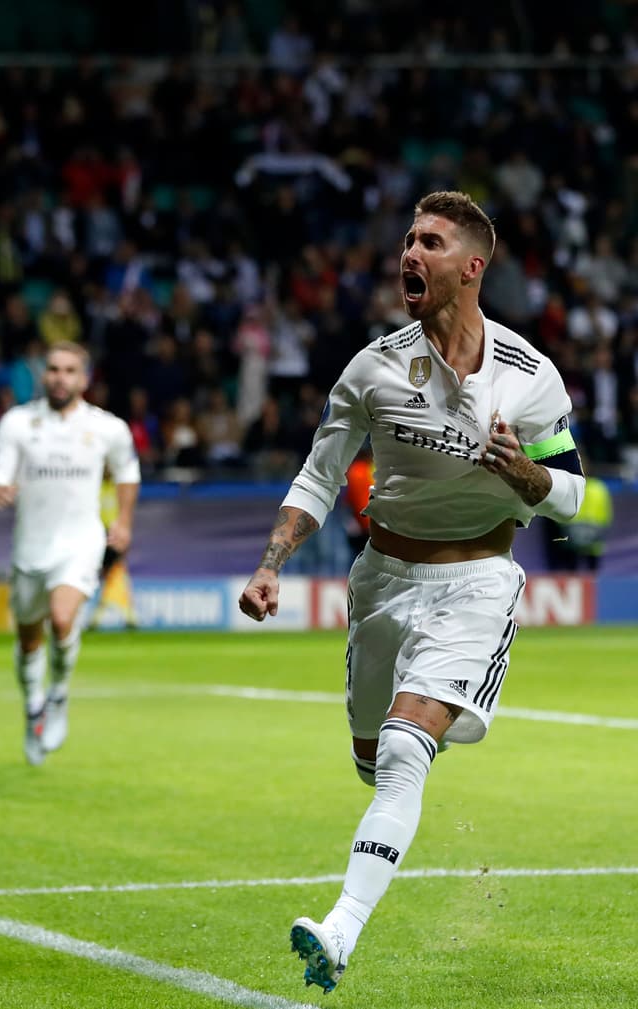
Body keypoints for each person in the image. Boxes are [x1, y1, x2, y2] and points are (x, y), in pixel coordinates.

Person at [237, 192, 585, 993]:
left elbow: (574, 494)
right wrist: (271, 563)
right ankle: (414, 742)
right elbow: (319, 475)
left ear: (472, 266)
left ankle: (340, 928)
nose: (410, 253)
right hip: (384, 580)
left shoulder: (532, 378)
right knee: (372, 753)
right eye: (408, 239)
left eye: (430, 241)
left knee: (402, 747)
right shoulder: (374, 365)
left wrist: (526, 475)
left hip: (477, 582)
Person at [0, 341, 140, 766]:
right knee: (29, 638)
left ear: (84, 379)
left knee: (63, 616)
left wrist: (123, 521)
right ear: (43, 375)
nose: (60, 377)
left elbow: (128, 472)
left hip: (81, 541)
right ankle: (33, 704)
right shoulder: (18, 422)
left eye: (70, 370)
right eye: (53, 369)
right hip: (30, 545)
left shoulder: (107, 428)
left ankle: (58, 694)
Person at [88, 473, 139, 630]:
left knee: (116, 575)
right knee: (108, 577)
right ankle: (126, 616)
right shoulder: (95, 489)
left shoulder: (117, 490)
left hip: (114, 537)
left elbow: (124, 513)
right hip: (99, 537)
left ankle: (123, 616)